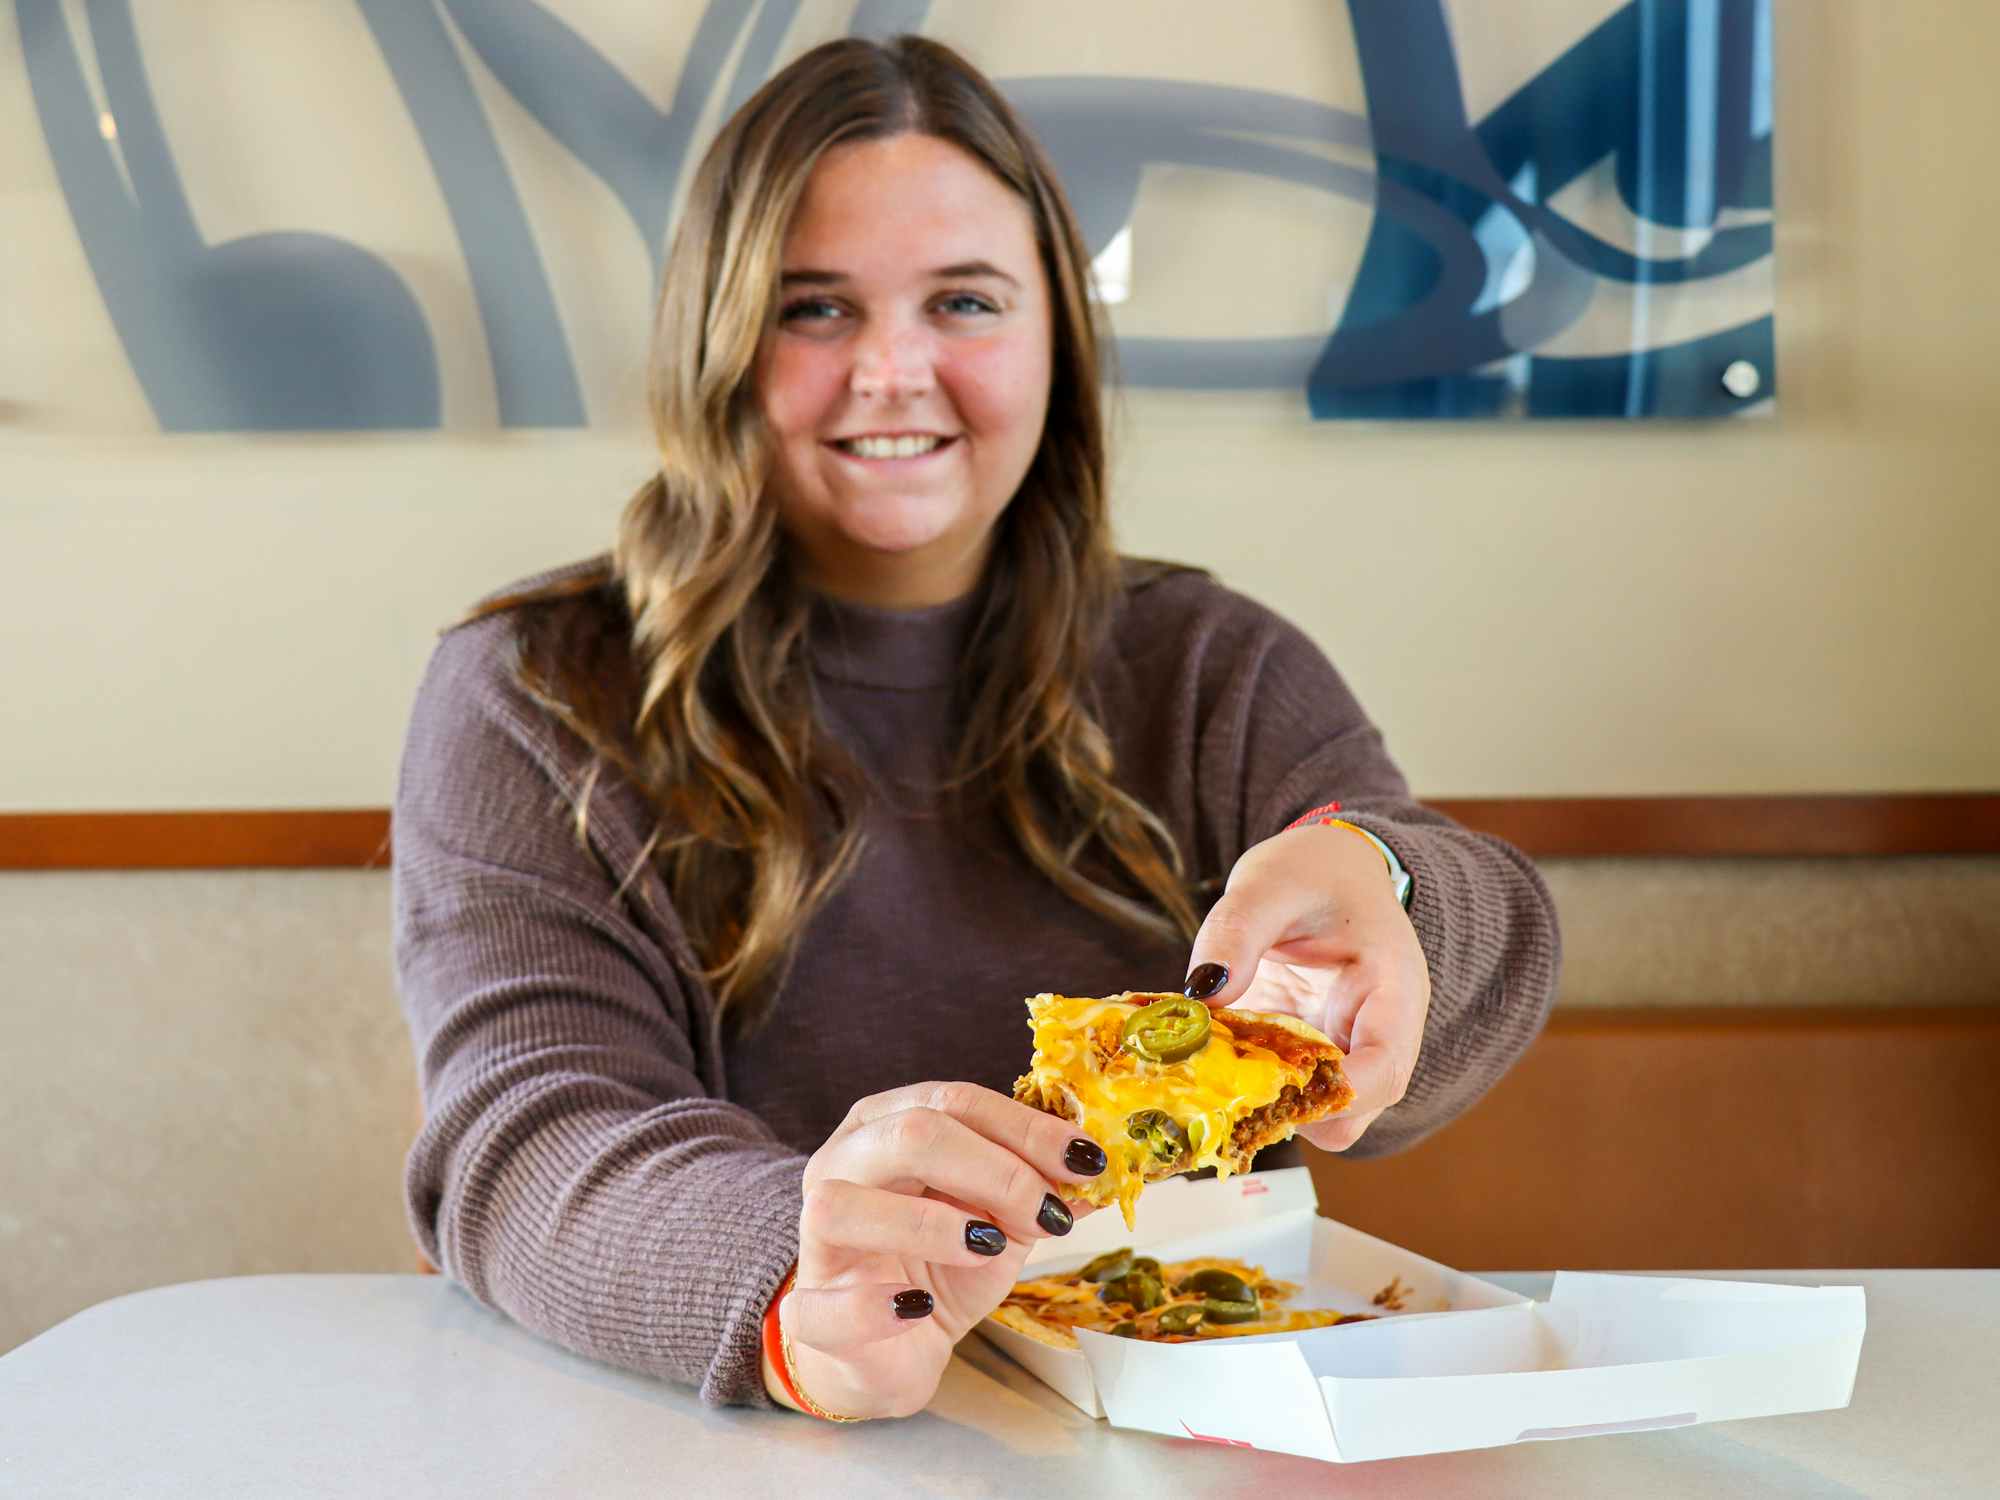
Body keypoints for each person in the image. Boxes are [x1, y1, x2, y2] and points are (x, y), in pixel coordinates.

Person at [392, 34, 1560, 1422]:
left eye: (965, 301)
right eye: (813, 308)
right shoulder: (537, 691)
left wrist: (1397, 893)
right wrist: (805, 1288)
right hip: (733, 1443)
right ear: (718, 341)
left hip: (1177, 1434)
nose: (892, 370)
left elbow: (1460, 952)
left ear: (1056, 337)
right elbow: (528, 1139)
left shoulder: (1208, 668)